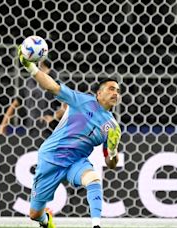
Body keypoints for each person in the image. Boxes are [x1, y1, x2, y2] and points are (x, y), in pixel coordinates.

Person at [18, 46, 122, 228]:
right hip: (51, 158)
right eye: (111, 89)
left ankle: (96, 225)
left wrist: (113, 151)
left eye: (118, 91)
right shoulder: (81, 101)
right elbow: (51, 86)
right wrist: (31, 68)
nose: (116, 93)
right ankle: (46, 221)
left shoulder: (112, 127)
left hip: (76, 162)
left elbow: (110, 164)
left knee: (93, 179)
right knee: (34, 214)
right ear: (99, 93)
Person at [0, 60, 66, 136]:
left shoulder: (55, 79)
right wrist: (2, 126)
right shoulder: (28, 82)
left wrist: (54, 117)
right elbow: (14, 104)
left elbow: (68, 104)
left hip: (50, 132)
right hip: (31, 132)